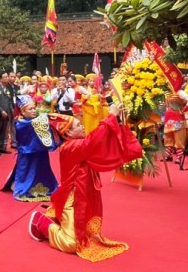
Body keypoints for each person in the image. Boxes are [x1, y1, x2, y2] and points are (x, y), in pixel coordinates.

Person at [28, 105, 143, 262]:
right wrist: (110, 117)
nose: (82, 126)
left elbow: (99, 144)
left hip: (84, 193)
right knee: (70, 244)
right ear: (68, 133)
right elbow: (92, 142)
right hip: (72, 197)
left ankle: (55, 214)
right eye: (77, 125)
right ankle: (40, 222)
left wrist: (118, 121)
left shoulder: (78, 144)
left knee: (85, 232)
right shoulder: (70, 147)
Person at [1, 95, 58, 202]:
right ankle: (22, 186)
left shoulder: (34, 120)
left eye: (34, 108)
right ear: (22, 112)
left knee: (42, 170)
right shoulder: (21, 123)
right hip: (28, 152)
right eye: (30, 109)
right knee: (27, 171)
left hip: (40, 151)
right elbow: (31, 127)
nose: (33, 111)